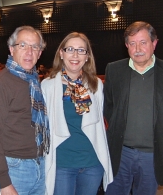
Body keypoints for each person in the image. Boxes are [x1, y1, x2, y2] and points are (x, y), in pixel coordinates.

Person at [103, 21, 163, 195]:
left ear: (154, 43)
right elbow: (108, 106)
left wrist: (161, 129)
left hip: (152, 154)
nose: (137, 48)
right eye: (132, 43)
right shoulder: (114, 70)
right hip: (120, 152)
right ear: (126, 46)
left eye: (143, 42)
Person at [41, 32, 113, 195]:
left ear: (87, 56)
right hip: (62, 163)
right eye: (70, 49)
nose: (75, 55)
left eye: (81, 50)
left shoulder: (95, 85)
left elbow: (100, 126)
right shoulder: (48, 86)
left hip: (92, 163)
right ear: (61, 53)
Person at [0, 26, 50, 195]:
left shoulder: (33, 81)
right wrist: (4, 183)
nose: (29, 52)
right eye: (23, 45)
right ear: (11, 49)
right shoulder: (1, 85)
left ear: (40, 53)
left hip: (39, 164)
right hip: (14, 169)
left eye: (35, 47)